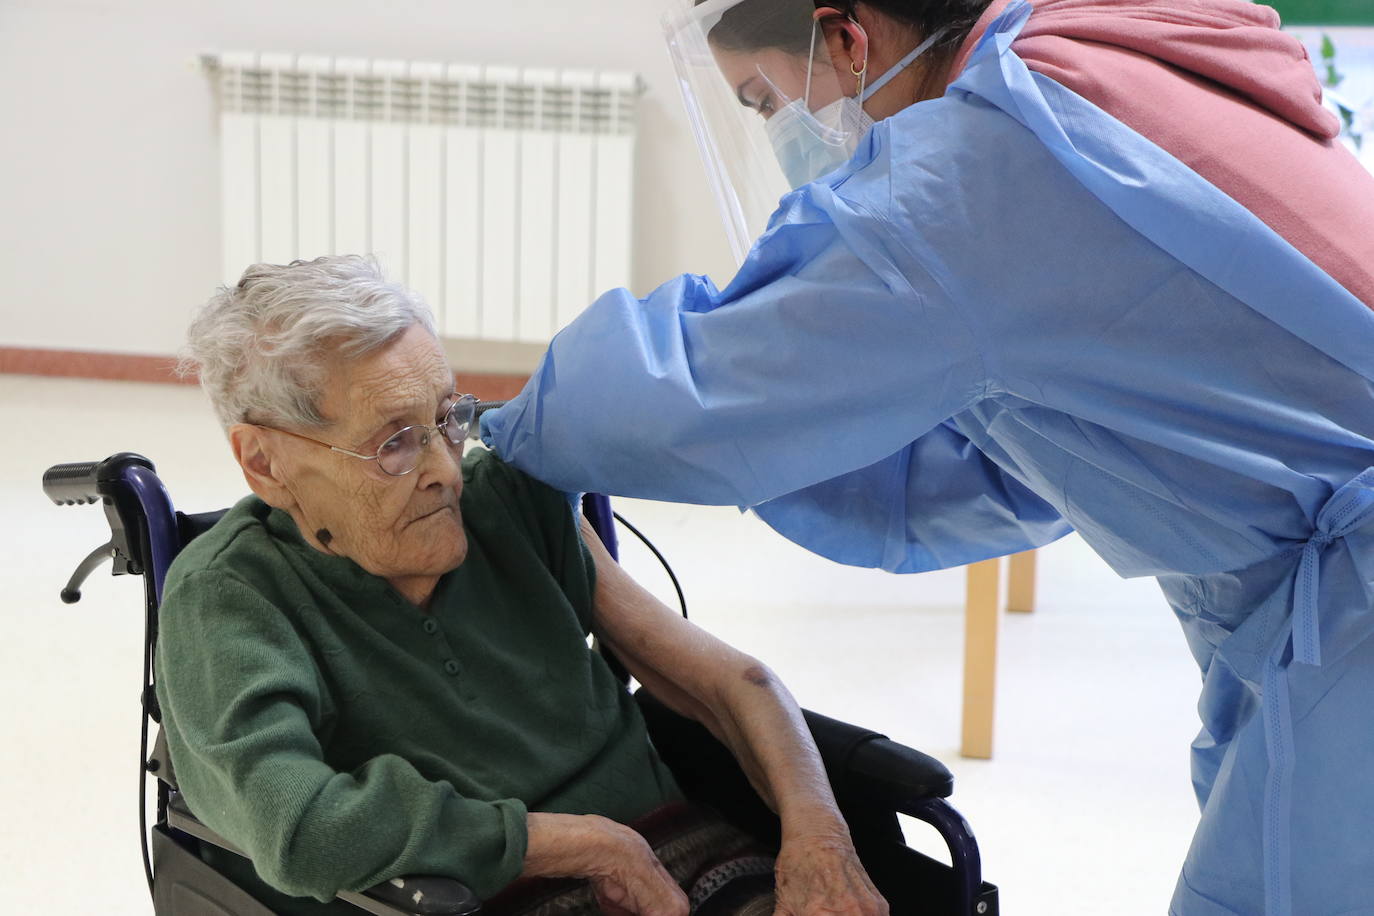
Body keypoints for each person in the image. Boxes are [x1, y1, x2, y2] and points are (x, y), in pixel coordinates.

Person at [480, 0, 1374, 913]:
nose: (774, 134)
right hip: (1313, 612)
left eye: (761, 100)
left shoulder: (966, 180)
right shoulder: (1090, 55)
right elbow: (1033, 463)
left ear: (843, 39)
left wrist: (495, 425)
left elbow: (691, 395)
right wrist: (812, 445)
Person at [159, 255, 888, 916]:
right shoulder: (229, 597)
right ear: (264, 463)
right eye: (394, 442)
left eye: (446, 418)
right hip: (482, 899)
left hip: (695, 862)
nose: (447, 469)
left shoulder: (507, 501)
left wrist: (820, 839)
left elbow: (729, 685)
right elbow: (300, 827)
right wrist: (586, 845)